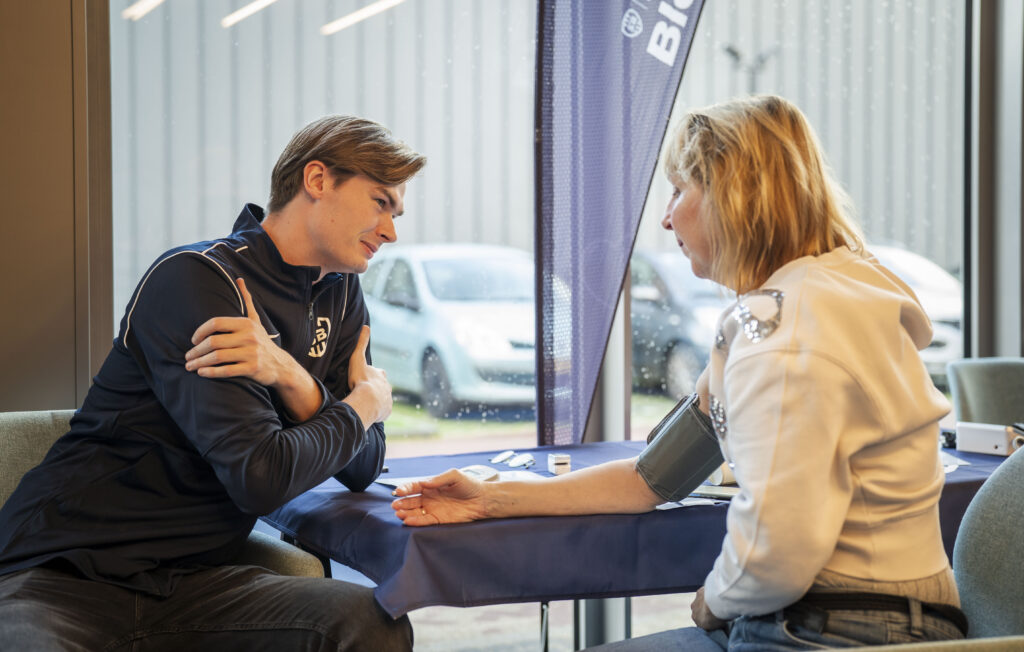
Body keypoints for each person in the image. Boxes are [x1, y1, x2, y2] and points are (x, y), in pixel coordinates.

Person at [391, 95, 967, 650]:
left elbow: (782, 551)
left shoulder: (783, 338)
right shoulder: (805, 305)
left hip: (837, 629)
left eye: (677, 190)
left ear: (732, 195)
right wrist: (490, 499)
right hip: (873, 618)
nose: (665, 220)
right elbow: (648, 480)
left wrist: (715, 600)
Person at [0, 115, 425, 650]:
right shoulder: (196, 279)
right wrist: (363, 405)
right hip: (63, 576)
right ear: (317, 181)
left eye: (396, 211)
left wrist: (293, 376)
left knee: (371, 621)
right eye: (380, 203)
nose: (391, 230)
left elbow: (362, 466)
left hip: (196, 584)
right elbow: (262, 476)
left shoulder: (340, 296)